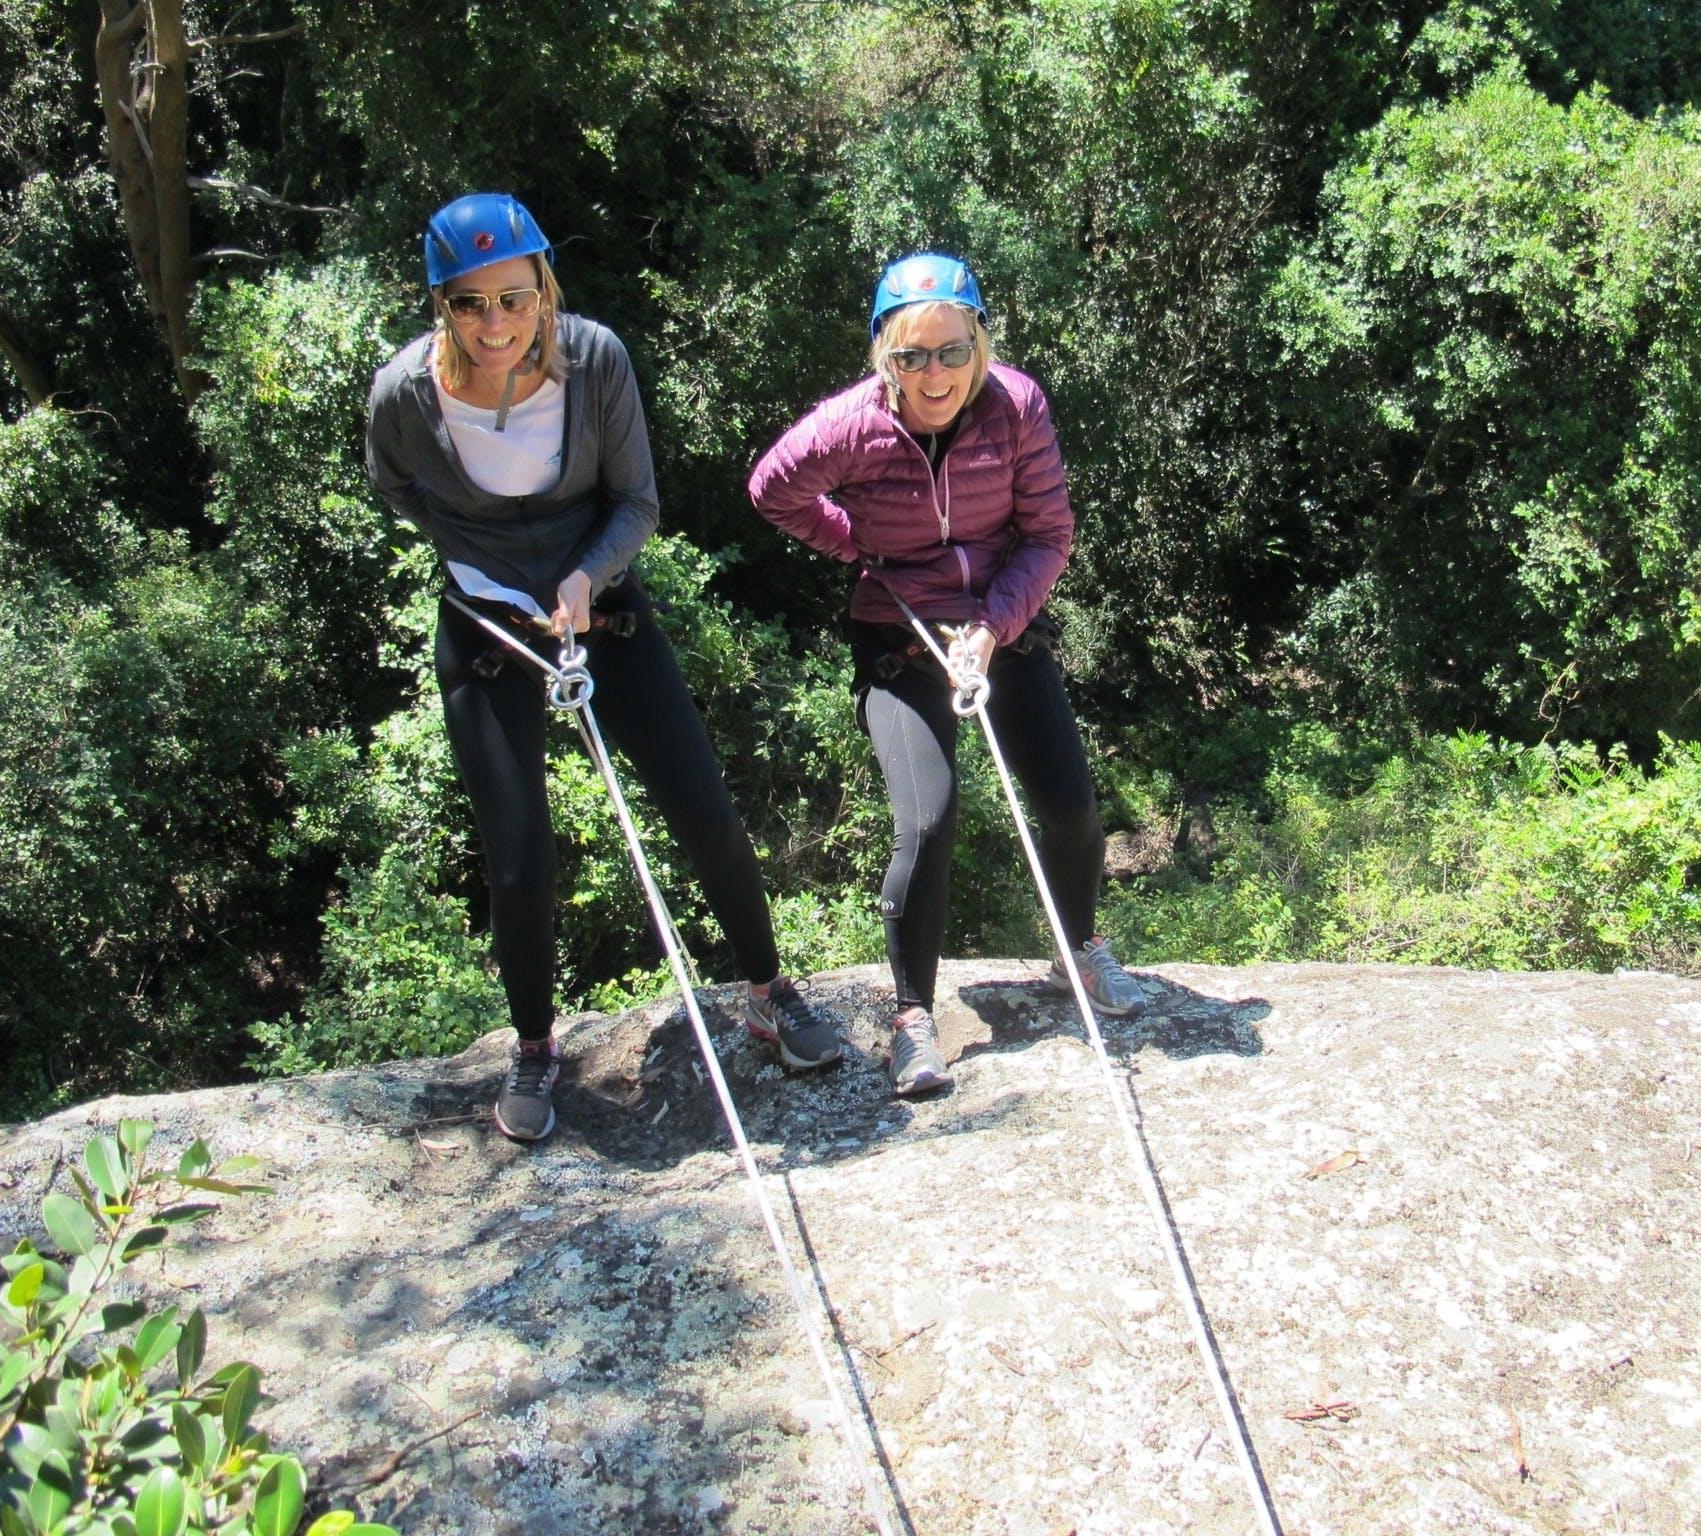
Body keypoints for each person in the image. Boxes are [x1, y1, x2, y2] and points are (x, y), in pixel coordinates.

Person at [365, 193, 842, 1142]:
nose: (496, 324)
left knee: (702, 806)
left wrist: (583, 577)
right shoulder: (404, 397)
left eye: (513, 297)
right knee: (519, 855)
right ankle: (536, 1048)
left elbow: (636, 500)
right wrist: (484, 572)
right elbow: (398, 489)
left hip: (604, 611)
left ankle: (768, 991)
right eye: (471, 304)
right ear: (440, 305)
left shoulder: (595, 361)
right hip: (487, 631)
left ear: (544, 287)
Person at [748, 252, 1143, 1098]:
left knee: (1071, 805)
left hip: (1000, 627)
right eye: (912, 356)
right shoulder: (850, 426)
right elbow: (772, 489)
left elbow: (1049, 534)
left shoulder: (1017, 407)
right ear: (883, 358)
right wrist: (853, 546)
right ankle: (911, 1018)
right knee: (927, 821)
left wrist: (993, 627)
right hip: (898, 634)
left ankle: (1078, 948)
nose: (936, 374)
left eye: (953, 351)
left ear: (981, 345)